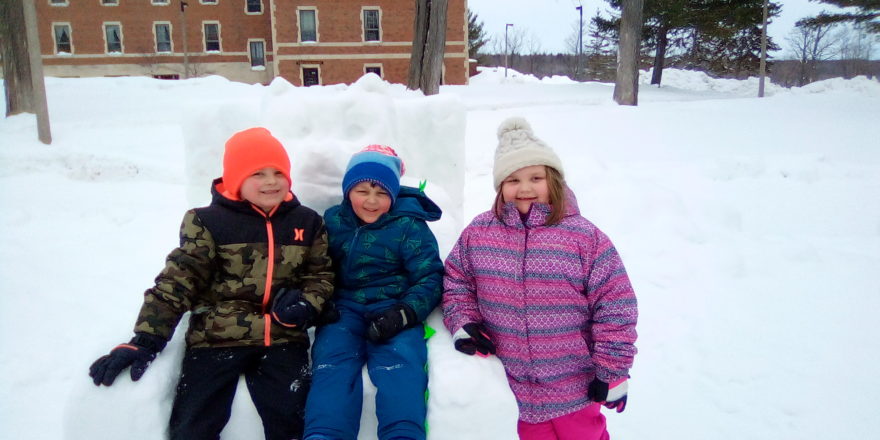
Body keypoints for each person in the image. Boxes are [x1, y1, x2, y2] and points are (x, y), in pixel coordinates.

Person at [88, 127, 335, 440]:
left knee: (292, 423)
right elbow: (178, 280)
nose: (271, 181)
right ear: (235, 178)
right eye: (257, 173)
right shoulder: (208, 221)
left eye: (278, 172)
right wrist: (145, 339)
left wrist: (306, 304)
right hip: (217, 338)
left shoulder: (307, 221)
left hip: (282, 337)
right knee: (193, 426)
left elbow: (321, 275)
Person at [441, 117, 638, 440]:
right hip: (515, 388)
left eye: (536, 177)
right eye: (513, 180)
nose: (525, 189)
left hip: (575, 387)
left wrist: (612, 370)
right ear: (500, 186)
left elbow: (615, 306)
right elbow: (456, 282)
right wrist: (464, 321)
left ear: (554, 181)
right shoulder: (479, 233)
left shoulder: (584, 238)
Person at [300, 145, 444, 440]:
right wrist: (322, 302)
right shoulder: (332, 221)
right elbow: (316, 267)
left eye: (381, 192)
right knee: (332, 364)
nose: (371, 201)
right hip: (344, 309)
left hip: (395, 307)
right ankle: (326, 433)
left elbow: (430, 276)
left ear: (393, 194)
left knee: (401, 365)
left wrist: (405, 313)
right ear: (347, 191)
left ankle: (402, 433)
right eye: (362, 190)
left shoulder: (408, 226)